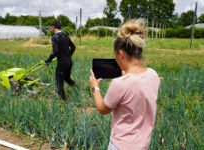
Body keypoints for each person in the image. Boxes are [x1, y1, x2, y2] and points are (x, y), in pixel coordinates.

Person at [89, 19, 160, 150]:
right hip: (143, 145)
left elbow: (102, 109)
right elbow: (138, 90)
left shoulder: (119, 84)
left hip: (120, 146)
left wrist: (95, 87)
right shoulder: (153, 75)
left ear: (121, 54)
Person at [44, 20, 76, 100]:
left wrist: (48, 61)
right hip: (69, 62)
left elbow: (55, 51)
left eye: (52, 27)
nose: (51, 28)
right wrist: (68, 55)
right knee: (67, 78)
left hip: (62, 63)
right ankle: (77, 90)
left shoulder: (55, 38)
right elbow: (73, 47)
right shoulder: (65, 35)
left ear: (54, 27)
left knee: (59, 83)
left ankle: (64, 102)